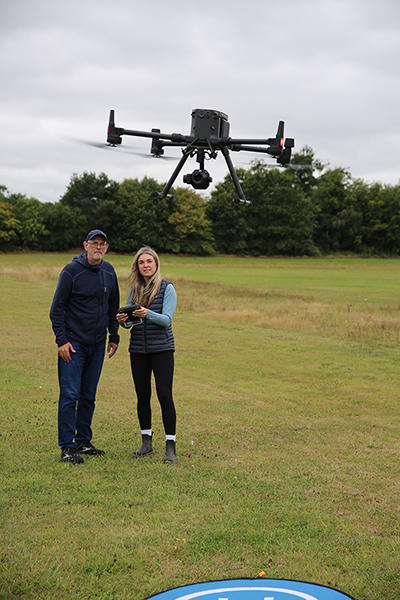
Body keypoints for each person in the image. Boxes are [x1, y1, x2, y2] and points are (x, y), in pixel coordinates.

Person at [50, 229, 120, 464]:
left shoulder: (109, 272)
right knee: (70, 395)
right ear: (85, 245)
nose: (98, 247)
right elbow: (57, 309)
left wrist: (114, 335)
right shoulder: (71, 272)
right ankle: (67, 447)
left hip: (98, 343)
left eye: (102, 244)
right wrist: (62, 341)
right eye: (94, 243)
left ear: (106, 248)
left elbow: (113, 306)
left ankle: (83, 441)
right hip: (74, 344)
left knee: (88, 395)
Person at [116, 246, 177, 463]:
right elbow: (131, 324)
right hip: (138, 350)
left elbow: (166, 320)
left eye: (149, 261)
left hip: (162, 350)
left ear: (156, 263)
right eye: (141, 262)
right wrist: (124, 321)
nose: (146, 265)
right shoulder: (133, 289)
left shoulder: (167, 288)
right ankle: (146, 442)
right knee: (142, 396)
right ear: (137, 266)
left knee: (164, 395)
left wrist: (147, 313)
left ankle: (171, 445)